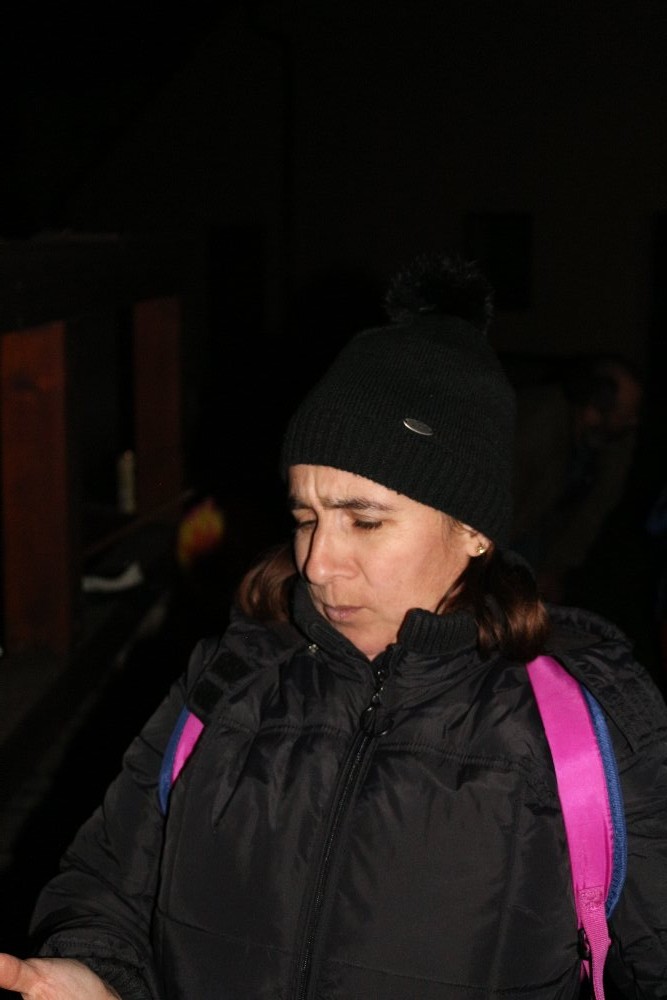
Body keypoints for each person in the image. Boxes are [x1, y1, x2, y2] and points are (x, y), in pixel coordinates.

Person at [1, 252, 666, 999]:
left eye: (365, 520)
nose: (317, 563)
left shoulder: (589, 725)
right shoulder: (228, 680)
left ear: (474, 530)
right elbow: (108, 886)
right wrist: (95, 971)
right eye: (305, 516)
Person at [510, 352, 644, 603]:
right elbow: (503, 501)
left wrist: (555, 568)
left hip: (543, 533)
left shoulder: (616, 441)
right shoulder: (536, 424)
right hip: (505, 531)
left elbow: (593, 512)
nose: (633, 421)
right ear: (595, 406)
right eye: (625, 413)